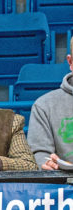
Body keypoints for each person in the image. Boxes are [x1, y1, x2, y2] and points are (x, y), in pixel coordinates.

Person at [27, 36, 73, 170]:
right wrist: (47, 163)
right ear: (70, 62)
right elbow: (40, 153)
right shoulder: (44, 105)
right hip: (65, 186)